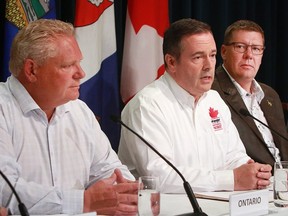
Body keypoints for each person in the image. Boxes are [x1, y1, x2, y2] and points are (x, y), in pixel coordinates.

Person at [0, 19, 138, 215]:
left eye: (79, 63)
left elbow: (110, 170)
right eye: (68, 65)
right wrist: (84, 201)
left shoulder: (79, 111)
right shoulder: (3, 109)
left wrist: (123, 193)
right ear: (32, 70)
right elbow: (5, 191)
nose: (81, 73)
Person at [118, 18, 272, 193]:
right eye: (198, 57)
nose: (209, 66)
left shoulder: (214, 100)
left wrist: (251, 171)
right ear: (171, 62)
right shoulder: (148, 105)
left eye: (212, 55)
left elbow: (232, 155)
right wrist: (233, 179)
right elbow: (159, 177)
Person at [212, 20, 288, 170]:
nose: (249, 55)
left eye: (256, 48)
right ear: (224, 52)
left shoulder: (269, 95)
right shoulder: (212, 93)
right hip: (251, 182)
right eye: (240, 47)